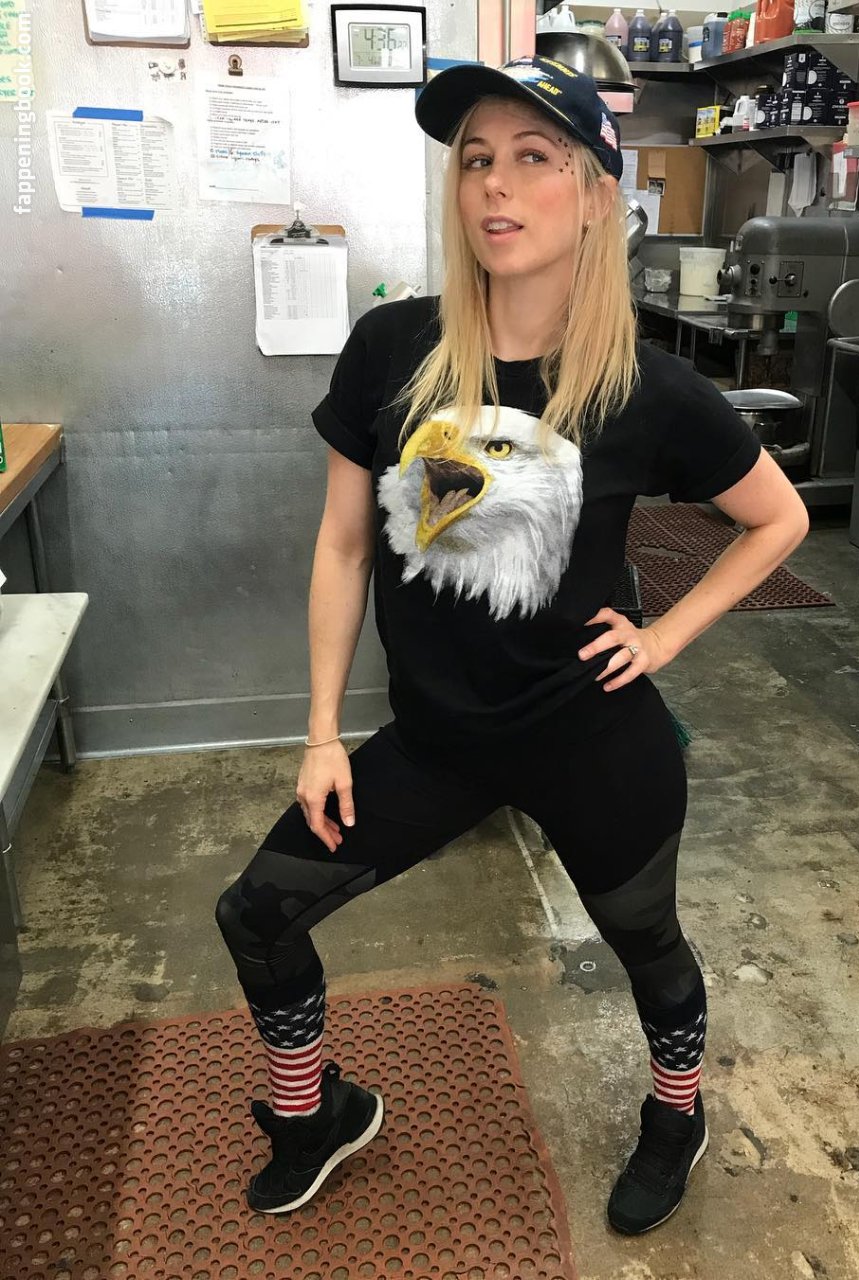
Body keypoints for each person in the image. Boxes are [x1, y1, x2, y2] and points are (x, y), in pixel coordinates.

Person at [216, 54, 809, 1232]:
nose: (495, 181)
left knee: (646, 942)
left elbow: (778, 518)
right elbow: (344, 545)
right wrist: (323, 731)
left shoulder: (643, 386)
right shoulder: (391, 349)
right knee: (256, 913)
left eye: (534, 156)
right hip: (437, 739)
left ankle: (675, 1111)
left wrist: (665, 634)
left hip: (592, 736)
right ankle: (315, 1111)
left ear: (593, 194)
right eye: (476, 158)